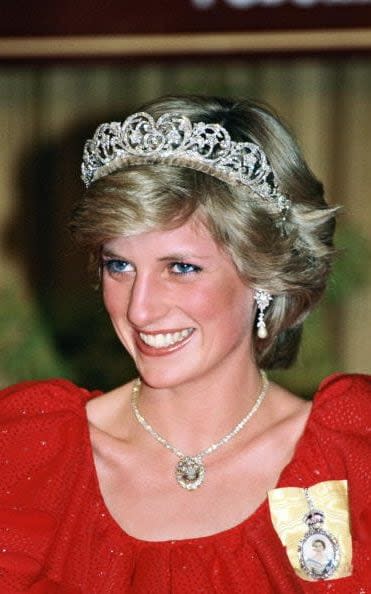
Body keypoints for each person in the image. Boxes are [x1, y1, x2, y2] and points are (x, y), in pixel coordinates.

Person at [0, 95, 370, 593]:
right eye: (119, 266)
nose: (140, 309)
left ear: (264, 275)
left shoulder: (353, 455)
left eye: (181, 268)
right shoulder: (24, 454)